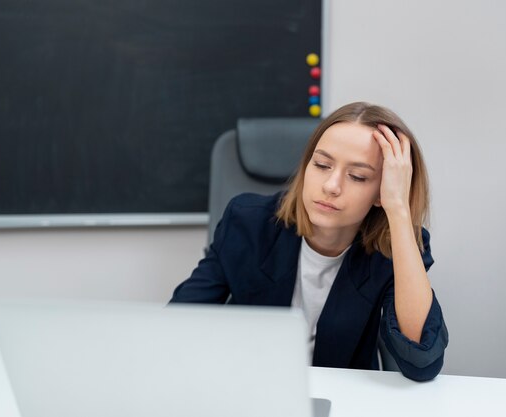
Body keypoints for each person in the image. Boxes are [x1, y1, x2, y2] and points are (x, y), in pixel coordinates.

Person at [170, 102, 449, 381]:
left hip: (344, 398)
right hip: (248, 389)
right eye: (322, 165)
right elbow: (175, 328)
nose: (331, 186)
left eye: (358, 176)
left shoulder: (393, 248)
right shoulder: (247, 223)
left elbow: (421, 362)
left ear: (381, 192)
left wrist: (398, 210)